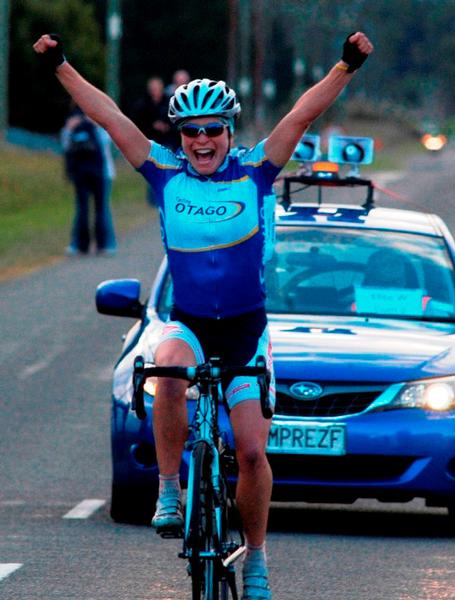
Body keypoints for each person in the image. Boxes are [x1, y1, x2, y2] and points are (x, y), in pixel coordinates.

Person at [33, 30, 373, 599]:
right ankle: (169, 489)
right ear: (180, 136)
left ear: (230, 132)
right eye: (191, 131)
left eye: (213, 129)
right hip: (189, 321)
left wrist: (346, 64)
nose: (202, 140)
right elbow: (109, 115)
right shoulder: (163, 171)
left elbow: (302, 113)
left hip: (245, 330)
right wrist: (61, 65)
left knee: (250, 451)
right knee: (165, 367)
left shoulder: (256, 169)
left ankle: (257, 559)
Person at [60, 106, 117, 255]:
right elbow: (67, 147)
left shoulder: (100, 125)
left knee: (102, 209)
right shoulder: (76, 126)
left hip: (103, 173)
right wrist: (68, 129)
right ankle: (79, 244)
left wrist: (98, 125)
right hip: (83, 174)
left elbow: (108, 142)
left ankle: (106, 244)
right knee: (83, 209)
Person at [131, 76, 178, 202]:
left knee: (167, 169)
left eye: (156, 88)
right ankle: (153, 198)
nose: (154, 91)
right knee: (152, 169)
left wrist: (166, 127)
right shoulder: (143, 105)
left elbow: (176, 122)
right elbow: (138, 124)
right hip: (150, 143)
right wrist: (152, 126)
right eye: (152, 88)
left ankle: (167, 195)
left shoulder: (169, 103)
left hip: (167, 142)